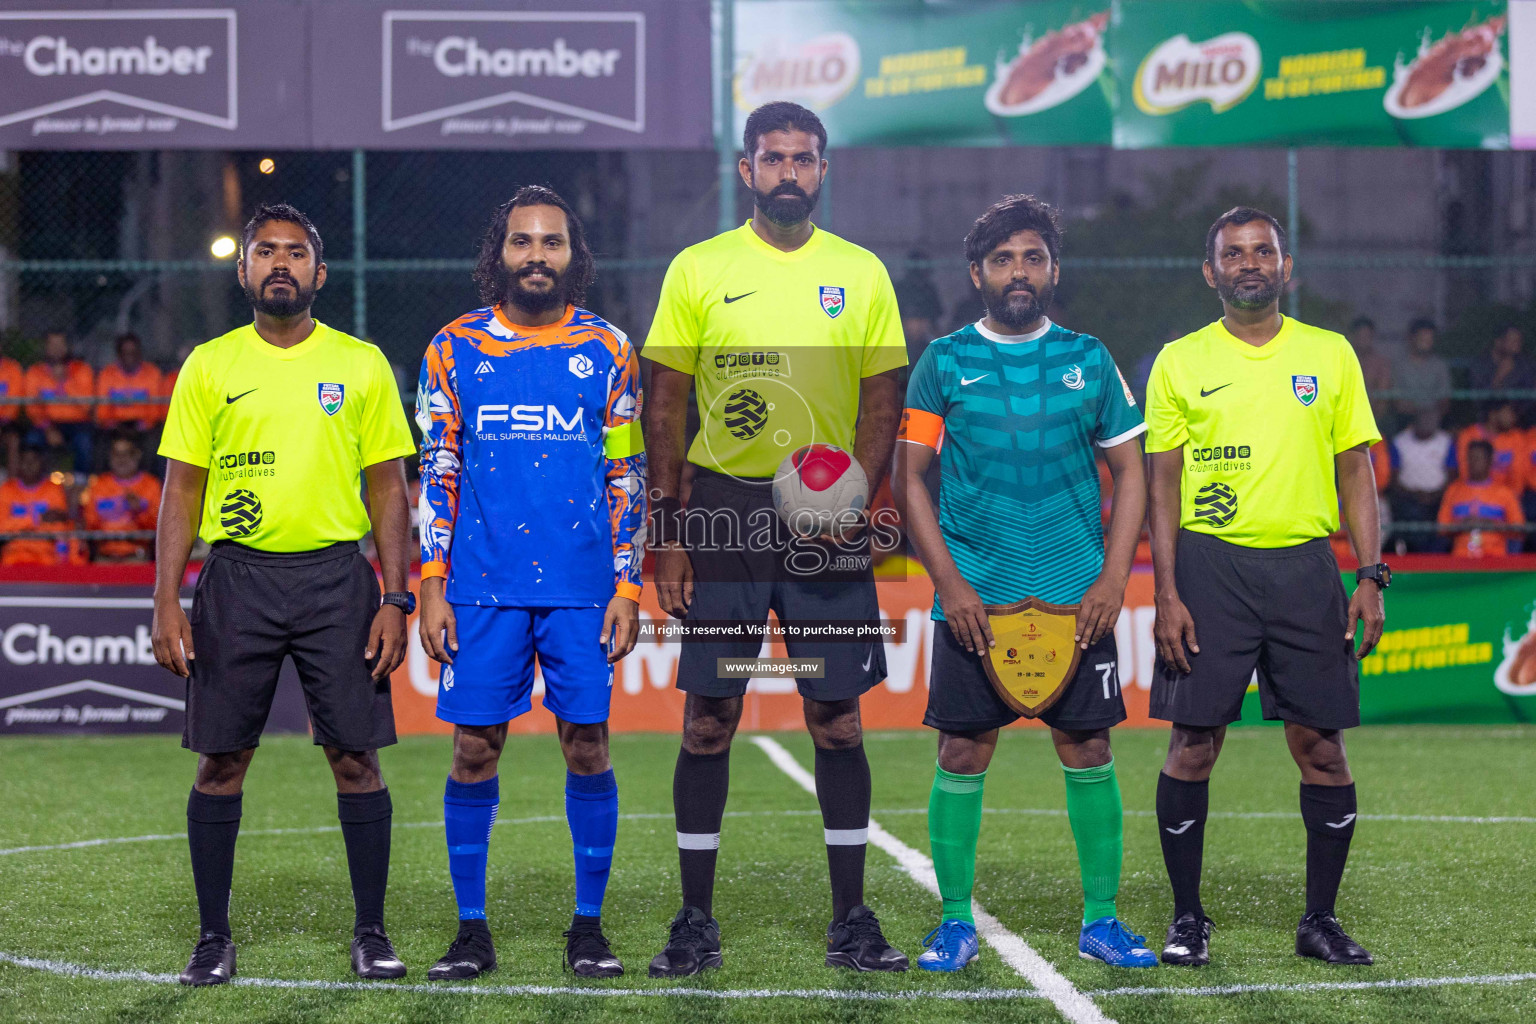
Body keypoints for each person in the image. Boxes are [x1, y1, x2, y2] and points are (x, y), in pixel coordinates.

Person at [642, 101, 909, 976]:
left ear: (822, 171)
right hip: (723, 512)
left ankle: (853, 919)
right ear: (747, 170)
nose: (788, 171)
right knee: (710, 716)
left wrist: (861, 504)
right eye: (773, 158)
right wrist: (670, 533)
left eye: (803, 159)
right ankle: (693, 921)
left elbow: (882, 401)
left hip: (823, 510)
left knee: (834, 718)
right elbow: (665, 405)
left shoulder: (862, 273)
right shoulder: (699, 268)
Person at [151, 203, 416, 986]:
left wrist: (395, 599)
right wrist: (166, 600)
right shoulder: (209, 365)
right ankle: (212, 937)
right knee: (221, 761)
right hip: (236, 580)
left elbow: (390, 491)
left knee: (355, 758)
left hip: (339, 580)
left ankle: (371, 932)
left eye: (295, 253)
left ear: (319, 273)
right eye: (264, 251)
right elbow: (181, 489)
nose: (279, 263)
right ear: (243, 271)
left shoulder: (361, 364)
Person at [893, 195, 1154, 971]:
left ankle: (1102, 920)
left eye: (1033, 257)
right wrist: (952, 583)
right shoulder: (943, 362)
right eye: (1004, 259)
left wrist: (1113, 578)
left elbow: (1132, 473)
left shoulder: (1091, 357)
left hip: (1078, 598)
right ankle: (951, 921)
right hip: (976, 598)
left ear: (1053, 270)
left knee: (1088, 746)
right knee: (963, 752)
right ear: (977, 272)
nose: (1019, 272)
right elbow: (909, 480)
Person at [1144, 206, 1386, 968]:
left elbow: (1357, 471)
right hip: (1210, 569)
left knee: (1322, 750)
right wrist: (1167, 591)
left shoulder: (1331, 354)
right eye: (1233, 253)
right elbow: (1161, 483)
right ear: (1210, 271)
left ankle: (1320, 920)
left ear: (1286, 266)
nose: (1250, 263)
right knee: (1192, 746)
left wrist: (1370, 574)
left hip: (1307, 571)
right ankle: (1188, 919)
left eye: (1264, 251)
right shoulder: (1179, 360)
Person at [415, 186, 644, 981]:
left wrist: (627, 587)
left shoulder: (610, 348)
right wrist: (432, 582)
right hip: (481, 585)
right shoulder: (451, 348)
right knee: (474, 749)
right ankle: (471, 931)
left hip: (583, 586)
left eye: (551, 243)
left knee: (587, 744)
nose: (536, 256)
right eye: (522, 242)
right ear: (500, 252)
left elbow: (626, 472)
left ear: (572, 255)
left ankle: (588, 926)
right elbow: (438, 470)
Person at [80, 429, 161, 561]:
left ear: (137, 455)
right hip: (103, 557)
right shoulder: (98, 484)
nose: (121, 459)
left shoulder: (151, 485)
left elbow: (160, 527)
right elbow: (89, 524)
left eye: (127, 454)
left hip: (137, 557)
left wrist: (140, 511)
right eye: (116, 454)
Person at [23, 330, 95, 472]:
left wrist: (63, 382)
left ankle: (81, 483)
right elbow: (32, 408)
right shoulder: (35, 371)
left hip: (77, 423)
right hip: (46, 423)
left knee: (84, 443)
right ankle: (41, 484)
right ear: (45, 347)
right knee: (32, 441)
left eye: (60, 344)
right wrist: (48, 428)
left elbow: (86, 406)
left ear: (68, 347)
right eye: (52, 344)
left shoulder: (82, 370)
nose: (56, 348)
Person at [0, 443, 82, 566]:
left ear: (42, 462)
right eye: (24, 460)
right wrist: (38, 519)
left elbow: (59, 527)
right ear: (18, 463)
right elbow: (2, 527)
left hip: (46, 559)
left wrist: (17, 525)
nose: (29, 465)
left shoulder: (53, 490)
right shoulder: (6, 490)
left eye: (34, 460)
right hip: (13, 558)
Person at [1438, 440, 1525, 557]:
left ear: (1489, 461)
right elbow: (1441, 527)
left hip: (1496, 558)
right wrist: (1462, 524)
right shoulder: (1453, 490)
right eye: (1470, 458)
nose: (1472, 463)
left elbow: (1519, 529)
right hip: (1460, 557)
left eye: (1478, 459)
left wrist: (1491, 525)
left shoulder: (1505, 493)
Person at [1388, 410, 1455, 551]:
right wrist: (1414, 495)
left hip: (1438, 498)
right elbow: (1393, 479)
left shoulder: (1446, 441)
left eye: (1431, 419)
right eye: (1423, 418)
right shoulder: (1400, 441)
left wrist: (1434, 496)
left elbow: (1452, 476)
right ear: (1414, 421)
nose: (1427, 423)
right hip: (1407, 499)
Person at [96, 332, 167, 434]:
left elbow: (156, 408)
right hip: (115, 424)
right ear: (119, 354)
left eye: (133, 352)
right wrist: (111, 424)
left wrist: (146, 424)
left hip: (145, 425)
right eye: (125, 352)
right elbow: (102, 409)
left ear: (139, 353)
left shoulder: (152, 373)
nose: (129, 356)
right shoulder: (107, 373)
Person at [1454, 400, 1524, 489]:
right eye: (1507, 413)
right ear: (1493, 414)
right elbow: (1465, 471)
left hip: (1505, 496)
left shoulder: (1515, 437)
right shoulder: (1468, 435)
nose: (1512, 418)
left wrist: (1508, 498)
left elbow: (1517, 475)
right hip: (1474, 493)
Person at [1393, 318, 1451, 421]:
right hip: (1405, 420)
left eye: (1429, 340)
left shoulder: (1440, 365)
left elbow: (1445, 401)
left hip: (1435, 422)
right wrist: (1419, 415)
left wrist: (1431, 416)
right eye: (1422, 339)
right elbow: (1397, 401)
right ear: (1412, 338)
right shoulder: (1399, 365)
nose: (1426, 343)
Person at [1345, 316, 1393, 425]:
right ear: (1352, 336)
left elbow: (1382, 399)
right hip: (1345, 418)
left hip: (1374, 421)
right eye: (1360, 335)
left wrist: (1370, 423)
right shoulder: (1342, 360)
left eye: (1367, 336)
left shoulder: (1381, 363)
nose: (1363, 340)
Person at [1469, 324, 1536, 396]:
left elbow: (1530, 394)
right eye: (1513, 341)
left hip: (1519, 406)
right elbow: (1478, 399)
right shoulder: (1480, 365)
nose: (1518, 345)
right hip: (1491, 406)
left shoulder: (1525, 363)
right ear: (1498, 342)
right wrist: (1500, 375)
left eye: (1519, 341)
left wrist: (1514, 406)